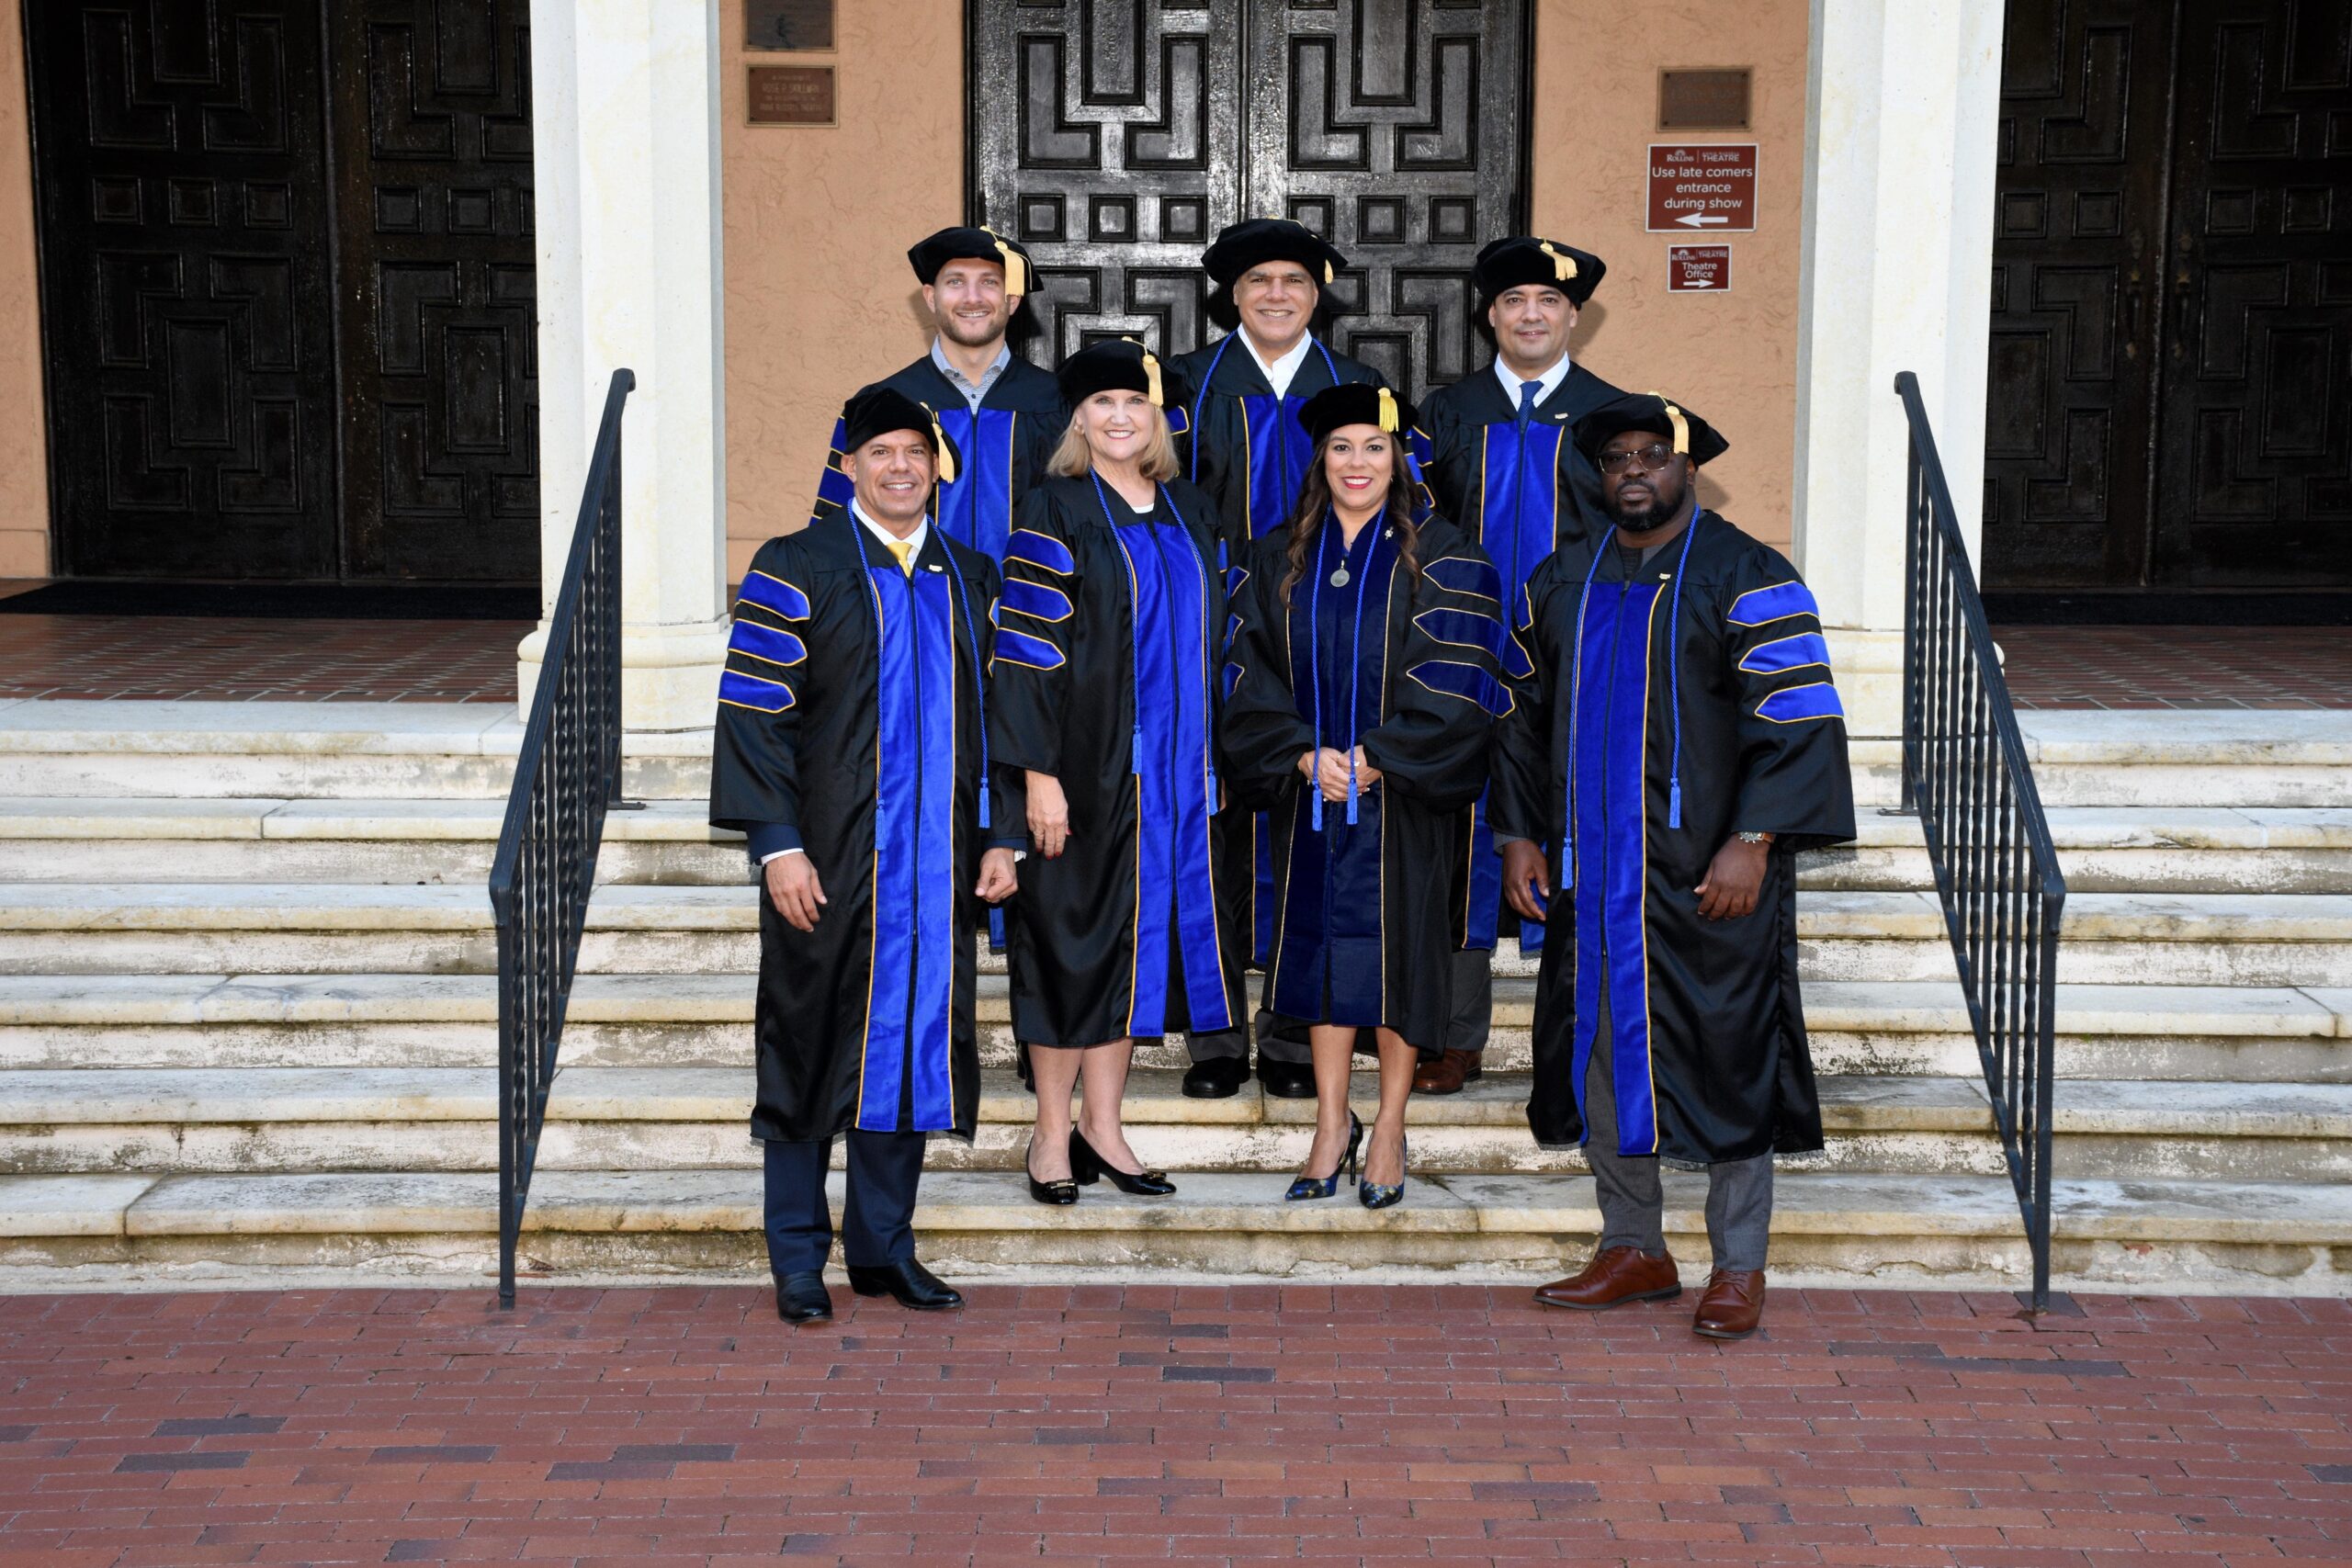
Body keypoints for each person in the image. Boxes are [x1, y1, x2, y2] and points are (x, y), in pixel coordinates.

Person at [1490, 392, 1856, 1340]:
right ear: (1598, 475)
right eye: (1616, 458)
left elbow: (1798, 717)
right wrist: (1516, 834)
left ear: (1688, 467)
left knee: (1730, 1053)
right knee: (1604, 1053)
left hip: (1708, 873)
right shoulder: (1559, 579)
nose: (1635, 471)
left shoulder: (1745, 574)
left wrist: (1757, 837)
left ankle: (1738, 1265)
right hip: (1591, 874)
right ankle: (1634, 1247)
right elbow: (1519, 724)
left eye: (1654, 454)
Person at [710, 384, 1021, 1324]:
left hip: (933, 870)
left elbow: (1006, 719)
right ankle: (798, 1259)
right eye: (879, 453)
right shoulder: (793, 565)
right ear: (847, 466)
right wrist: (777, 846)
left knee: (909, 1055)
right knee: (805, 1049)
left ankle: (885, 1249)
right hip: (830, 861)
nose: (899, 468)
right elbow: (755, 716)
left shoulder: (970, 574)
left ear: (937, 468)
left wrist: (1002, 833)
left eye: (914, 454)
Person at [1222, 383, 1506, 1208]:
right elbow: (1246, 673)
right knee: (1315, 954)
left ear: (1400, 458)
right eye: (1342, 447)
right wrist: (1302, 755)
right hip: (1312, 795)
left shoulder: (1450, 556)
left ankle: (1388, 1124)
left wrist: (1382, 754)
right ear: (1321, 458)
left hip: (1405, 800)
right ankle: (1329, 1123)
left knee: (1400, 956)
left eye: (1374, 447)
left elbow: (1459, 673)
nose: (1357, 462)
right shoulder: (1280, 557)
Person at [989, 337, 1245, 1204]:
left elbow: (1224, 643)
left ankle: (1105, 1125)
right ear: (1079, 419)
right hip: (1083, 773)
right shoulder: (1052, 508)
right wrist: (1037, 775)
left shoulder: (1192, 512)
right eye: (1101, 403)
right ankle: (1051, 1132)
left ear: (1160, 416)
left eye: (1135, 402)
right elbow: (1024, 651)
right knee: (1068, 948)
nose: (1121, 416)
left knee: (1126, 957)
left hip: (1172, 782)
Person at [1163, 218, 1400, 1101]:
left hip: (1328, 634)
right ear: (1231, 293)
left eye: (1293, 281)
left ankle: (1300, 1030)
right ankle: (1216, 1031)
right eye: (1258, 279)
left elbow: (1395, 497)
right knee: (1215, 829)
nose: (1274, 294)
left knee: (1317, 830)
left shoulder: (1357, 386)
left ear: (1317, 292)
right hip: (1199, 638)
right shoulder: (1185, 384)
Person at [1415, 235, 1624, 1098]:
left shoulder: (1618, 415)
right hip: (1460, 653)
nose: (1530, 315)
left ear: (1574, 315)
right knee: (1461, 845)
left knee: (1573, 828)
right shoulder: (1444, 411)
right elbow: (1413, 524)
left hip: (1571, 656)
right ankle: (1456, 1035)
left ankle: (1577, 1039)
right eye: (1513, 302)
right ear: (1490, 315)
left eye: (1547, 301)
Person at [808, 226, 1065, 559]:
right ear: (931, 297)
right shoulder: (882, 403)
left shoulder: (1057, 402)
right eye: (955, 282)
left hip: (1028, 603)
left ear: (1012, 300)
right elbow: (835, 529)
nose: (972, 298)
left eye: (989, 282)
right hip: (916, 606)